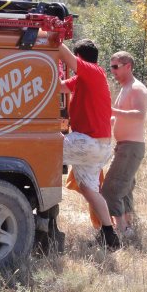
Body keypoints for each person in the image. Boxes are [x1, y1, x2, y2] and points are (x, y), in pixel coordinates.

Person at [59, 39, 121, 249]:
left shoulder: (93, 72)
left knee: (44, 146)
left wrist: (51, 37)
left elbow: (66, 57)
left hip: (89, 142)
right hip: (99, 147)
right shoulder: (83, 80)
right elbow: (59, 87)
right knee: (89, 189)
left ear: (80, 57)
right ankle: (109, 235)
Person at [103, 51, 147, 237]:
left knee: (110, 190)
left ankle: (121, 230)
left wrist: (111, 110)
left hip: (131, 147)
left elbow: (139, 114)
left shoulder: (137, 88)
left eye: (115, 67)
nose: (112, 71)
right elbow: (118, 116)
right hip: (125, 146)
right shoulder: (126, 87)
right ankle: (128, 226)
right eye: (111, 66)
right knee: (125, 188)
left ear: (127, 66)